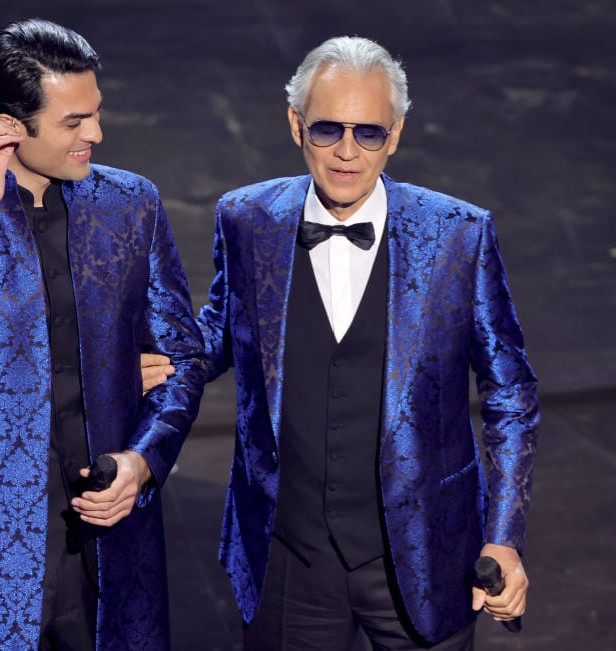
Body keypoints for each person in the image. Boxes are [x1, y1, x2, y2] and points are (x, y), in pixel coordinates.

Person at [0, 19, 206, 650]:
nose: (95, 135)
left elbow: (182, 358)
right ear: (7, 125)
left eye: (96, 114)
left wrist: (144, 460)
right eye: (72, 123)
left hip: (109, 543)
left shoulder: (131, 205)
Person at [192, 35, 540, 649]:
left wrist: (503, 534)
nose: (347, 152)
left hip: (425, 556)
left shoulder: (459, 235)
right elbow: (216, 335)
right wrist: (149, 354)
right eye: (328, 129)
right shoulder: (246, 219)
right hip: (287, 560)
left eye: (369, 133)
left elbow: (509, 391)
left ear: (396, 133)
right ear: (296, 125)